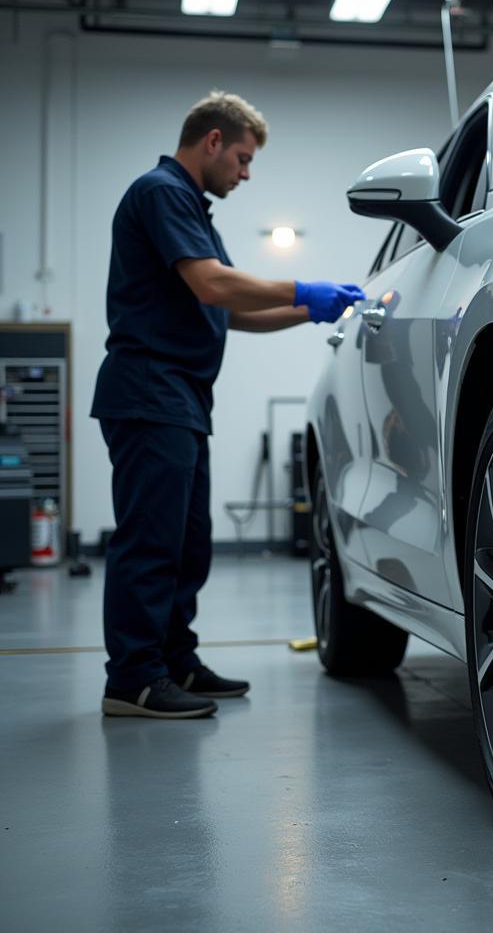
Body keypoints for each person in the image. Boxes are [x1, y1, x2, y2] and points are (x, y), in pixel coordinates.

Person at [91, 91, 364, 719]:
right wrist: (302, 285)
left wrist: (312, 310)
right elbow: (215, 284)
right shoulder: (161, 192)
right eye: (242, 158)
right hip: (149, 390)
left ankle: (173, 662)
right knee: (151, 541)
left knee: (188, 542)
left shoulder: (193, 210)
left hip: (179, 396)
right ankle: (132, 679)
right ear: (212, 141)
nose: (245, 173)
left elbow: (227, 308)